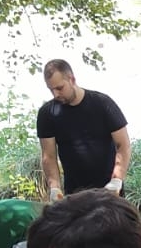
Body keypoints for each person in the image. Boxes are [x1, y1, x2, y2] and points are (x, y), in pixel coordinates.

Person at [37, 59, 131, 200]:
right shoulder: (47, 113)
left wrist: (117, 179)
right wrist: (55, 187)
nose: (55, 94)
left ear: (72, 79)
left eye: (60, 88)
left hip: (109, 191)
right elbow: (48, 156)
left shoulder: (103, 104)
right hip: (74, 195)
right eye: (51, 90)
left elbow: (123, 144)